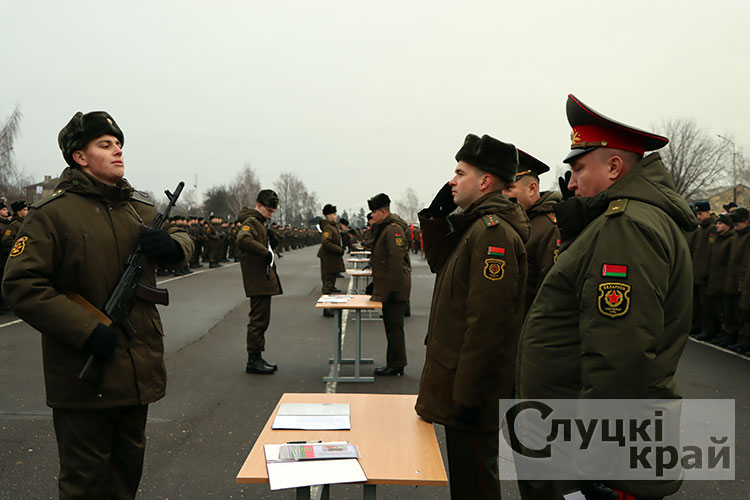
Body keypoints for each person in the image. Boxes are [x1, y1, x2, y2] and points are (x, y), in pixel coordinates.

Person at [2, 111, 193, 500]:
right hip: (84, 374)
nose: (118, 150)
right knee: (85, 485)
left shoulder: (136, 207)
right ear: (80, 156)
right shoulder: (51, 215)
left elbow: (181, 235)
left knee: (125, 480)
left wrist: (175, 246)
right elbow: (22, 284)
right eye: (105, 145)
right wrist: (87, 330)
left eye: (119, 144)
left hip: (136, 372)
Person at [517, 95, 697, 500]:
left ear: (614, 167)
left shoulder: (626, 226)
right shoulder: (622, 220)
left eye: (580, 168)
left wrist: (595, 460)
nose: (571, 182)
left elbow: (619, 354)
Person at [415, 133, 529, 500]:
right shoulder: (475, 226)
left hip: (472, 391)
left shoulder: (492, 234)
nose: (452, 181)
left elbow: (488, 326)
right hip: (462, 386)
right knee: (467, 482)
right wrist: (435, 218)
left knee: (475, 484)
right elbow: (440, 262)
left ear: (484, 182)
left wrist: (467, 396)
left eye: (460, 173)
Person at [502, 150, 561, 313]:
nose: (503, 195)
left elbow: (550, 293)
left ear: (532, 189)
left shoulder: (550, 228)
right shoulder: (512, 223)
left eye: (509, 188)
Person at [237, 189, 283, 374]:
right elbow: (243, 239)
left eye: (272, 212)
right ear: (259, 205)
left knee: (262, 320)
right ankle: (253, 359)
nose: (270, 214)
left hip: (261, 277)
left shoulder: (259, 223)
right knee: (258, 320)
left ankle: (257, 357)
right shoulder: (252, 222)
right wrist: (265, 252)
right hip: (258, 278)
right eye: (268, 210)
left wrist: (271, 241)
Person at [367, 193, 412, 376]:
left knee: (395, 328)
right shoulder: (385, 228)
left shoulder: (393, 230)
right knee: (391, 326)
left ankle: (396, 364)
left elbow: (396, 261)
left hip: (395, 287)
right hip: (390, 285)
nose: (372, 216)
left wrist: (392, 288)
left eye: (374, 213)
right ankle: (394, 362)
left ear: (383, 212)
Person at [317, 203, 345, 316]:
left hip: (331, 258)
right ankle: (326, 307)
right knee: (328, 283)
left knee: (330, 282)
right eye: (333, 214)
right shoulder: (328, 227)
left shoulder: (332, 226)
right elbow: (326, 242)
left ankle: (327, 305)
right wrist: (339, 249)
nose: (336, 216)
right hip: (328, 258)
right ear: (328, 216)